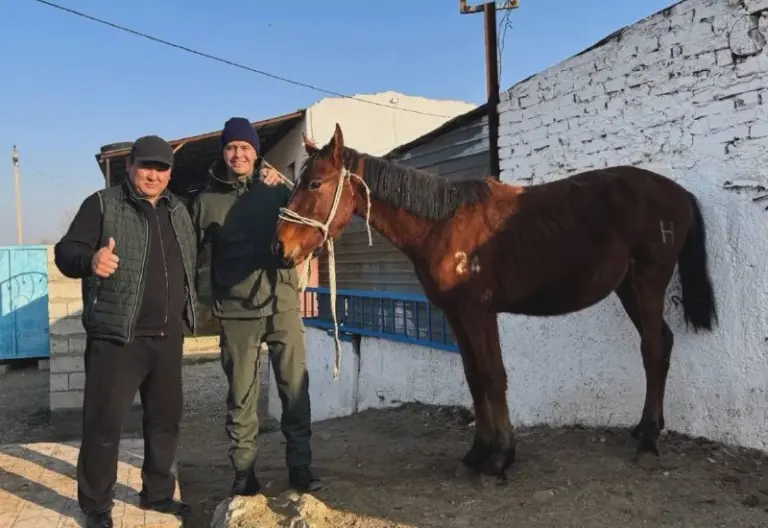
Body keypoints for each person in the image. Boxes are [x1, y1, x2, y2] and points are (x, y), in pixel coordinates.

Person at [54, 135, 198, 528]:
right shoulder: (102, 204)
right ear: (130, 166)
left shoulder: (179, 210)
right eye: (147, 166)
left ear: (170, 173)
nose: (154, 175)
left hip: (168, 337)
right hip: (118, 338)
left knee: (165, 420)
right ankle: (96, 506)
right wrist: (90, 259)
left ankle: (157, 494)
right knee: (104, 424)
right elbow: (65, 253)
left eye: (162, 168)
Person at [189, 117, 322, 496]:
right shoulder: (206, 201)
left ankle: (300, 468)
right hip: (235, 312)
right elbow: (188, 251)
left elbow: (308, 221)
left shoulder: (277, 191)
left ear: (255, 151)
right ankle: (244, 472)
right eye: (232, 147)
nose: (238, 154)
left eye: (245, 147)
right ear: (224, 152)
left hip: (281, 304)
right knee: (241, 395)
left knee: (294, 389)